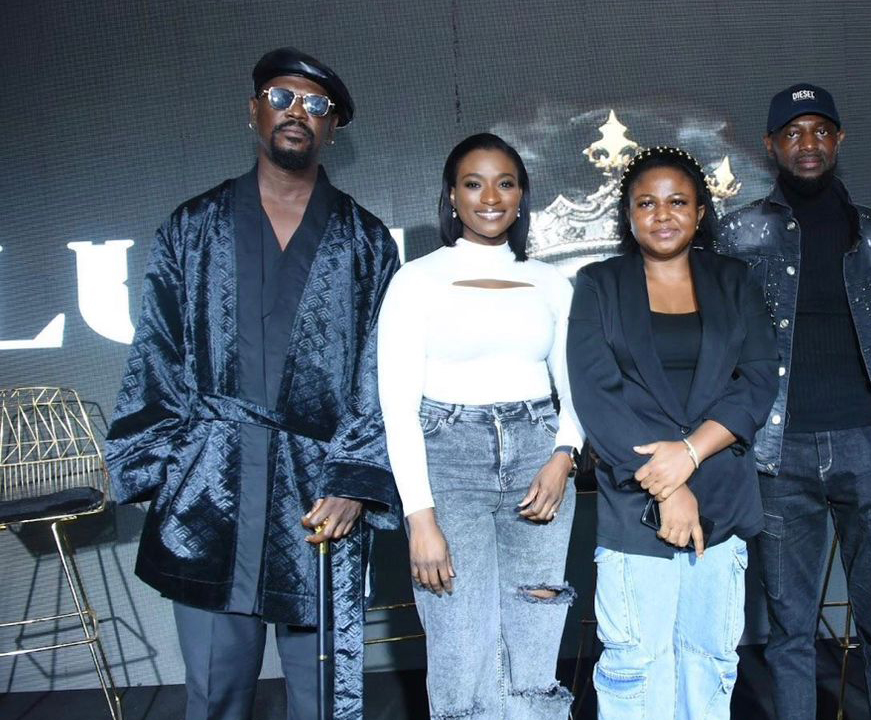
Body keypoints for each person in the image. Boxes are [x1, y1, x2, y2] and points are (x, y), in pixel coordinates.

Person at [104, 48, 400, 720]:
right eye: (281, 97)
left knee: (322, 697)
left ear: (333, 129)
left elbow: (383, 373)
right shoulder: (192, 227)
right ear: (253, 112)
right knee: (216, 694)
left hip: (320, 493)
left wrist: (355, 481)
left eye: (317, 105)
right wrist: (171, 469)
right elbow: (157, 353)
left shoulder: (366, 242)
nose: (298, 113)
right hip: (211, 488)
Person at [715, 83, 871, 720]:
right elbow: (717, 340)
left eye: (821, 130)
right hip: (781, 454)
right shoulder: (738, 233)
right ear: (771, 144)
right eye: (794, 133)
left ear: (839, 139)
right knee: (790, 633)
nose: (809, 144)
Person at [567, 146, 779, 720]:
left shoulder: (734, 280)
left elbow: (759, 378)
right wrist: (670, 486)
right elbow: (596, 395)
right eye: (647, 203)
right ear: (628, 214)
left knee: (711, 661)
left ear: (701, 211)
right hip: (635, 500)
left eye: (678, 202)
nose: (663, 215)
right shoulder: (598, 284)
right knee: (636, 665)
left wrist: (689, 454)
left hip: (723, 500)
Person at [376, 133, 583, 719]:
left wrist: (564, 455)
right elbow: (397, 407)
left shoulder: (551, 282)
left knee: (535, 633)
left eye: (505, 183)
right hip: (448, 464)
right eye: (474, 183)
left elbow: (577, 388)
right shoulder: (415, 280)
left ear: (521, 195)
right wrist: (420, 518)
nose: (490, 197)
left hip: (539, 461)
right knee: (459, 637)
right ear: (452, 195)